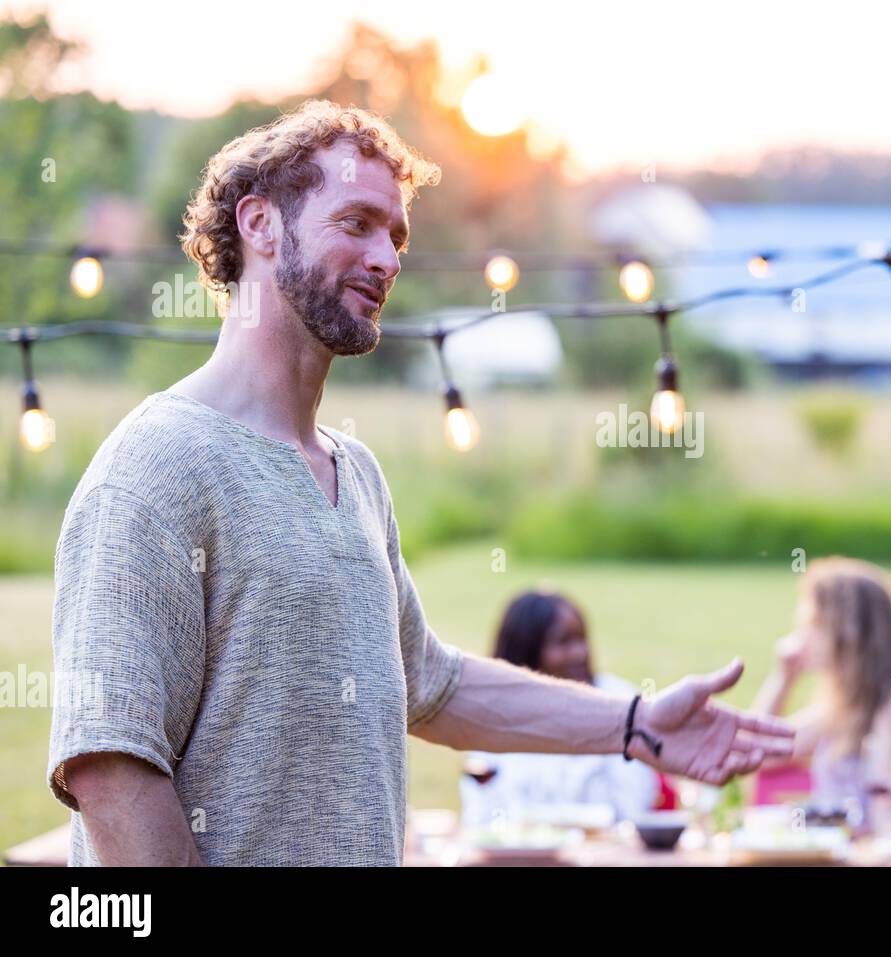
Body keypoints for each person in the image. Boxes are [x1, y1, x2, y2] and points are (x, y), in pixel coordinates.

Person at [45, 101, 793, 866]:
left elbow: (432, 683)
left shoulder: (357, 474)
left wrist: (636, 724)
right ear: (261, 224)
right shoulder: (155, 467)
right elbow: (112, 766)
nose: (389, 257)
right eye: (357, 223)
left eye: (396, 235)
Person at [752, 557, 891, 835]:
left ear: (851, 634)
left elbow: (887, 827)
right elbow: (759, 754)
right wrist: (783, 678)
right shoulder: (842, 710)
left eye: (814, 625)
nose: (801, 638)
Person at [458, 591, 675, 826]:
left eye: (581, 639)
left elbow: (633, 807)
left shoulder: (621, 703)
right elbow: (479, 813)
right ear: (527, 650)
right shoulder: (496, 713)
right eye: (564, 642)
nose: (580, 653)